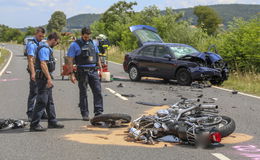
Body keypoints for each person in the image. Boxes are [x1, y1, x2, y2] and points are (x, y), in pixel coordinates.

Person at [67, 27, 104, 121]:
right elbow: (70, 60)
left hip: (93, 71)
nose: (87, 38)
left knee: (97, 91)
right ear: (81, 35)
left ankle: (98, 112)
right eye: (85, 37)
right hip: (82, 71)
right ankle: (85, 113)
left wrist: (100, 69)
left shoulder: (93, 43)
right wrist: (71, 73)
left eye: (88, 37)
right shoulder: (74, 45)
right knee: (83, 92)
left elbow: (97, 56)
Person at [30, 32, 64, 132]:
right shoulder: (44, 48)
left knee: (49, 101)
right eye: (57, 43)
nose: (56, 44)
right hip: (43, 79)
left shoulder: (46, 47)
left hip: (45, 77)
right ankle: (34, 124)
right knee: (42, 101)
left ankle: (52, 121)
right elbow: (43, 64)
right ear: (53, 40)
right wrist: (49, 78)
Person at [26, 27, 48, 121]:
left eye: (43, 36)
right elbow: (30, 60)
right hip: (34, 70)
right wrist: (33, 73)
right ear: (36, 34)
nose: (41, 37)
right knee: (34, 92)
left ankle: (41, 112)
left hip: (41, 71)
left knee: (42, 92)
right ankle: (30, 112)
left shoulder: (42, 43)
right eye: (40, 36)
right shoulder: (32, 44)